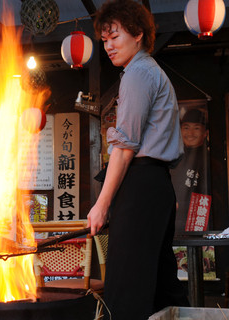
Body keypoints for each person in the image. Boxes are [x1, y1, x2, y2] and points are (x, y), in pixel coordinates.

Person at [87, 0, 190, 319]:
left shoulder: (138, 73)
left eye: (115, 37)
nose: (108, 46)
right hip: (155, 185)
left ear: (139, 35)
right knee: (160, 282)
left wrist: (101, 204)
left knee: (127, 284)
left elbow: (125, 147)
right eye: (104, 40)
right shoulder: (150, 72)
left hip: (142, 185)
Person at [171, 108, 210, 232]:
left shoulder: (209, 159)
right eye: (186, 128)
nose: (190, 133)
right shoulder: (173, 156)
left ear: (206, 133)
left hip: (199, 218)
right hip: (174, 218)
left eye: (196, 128)